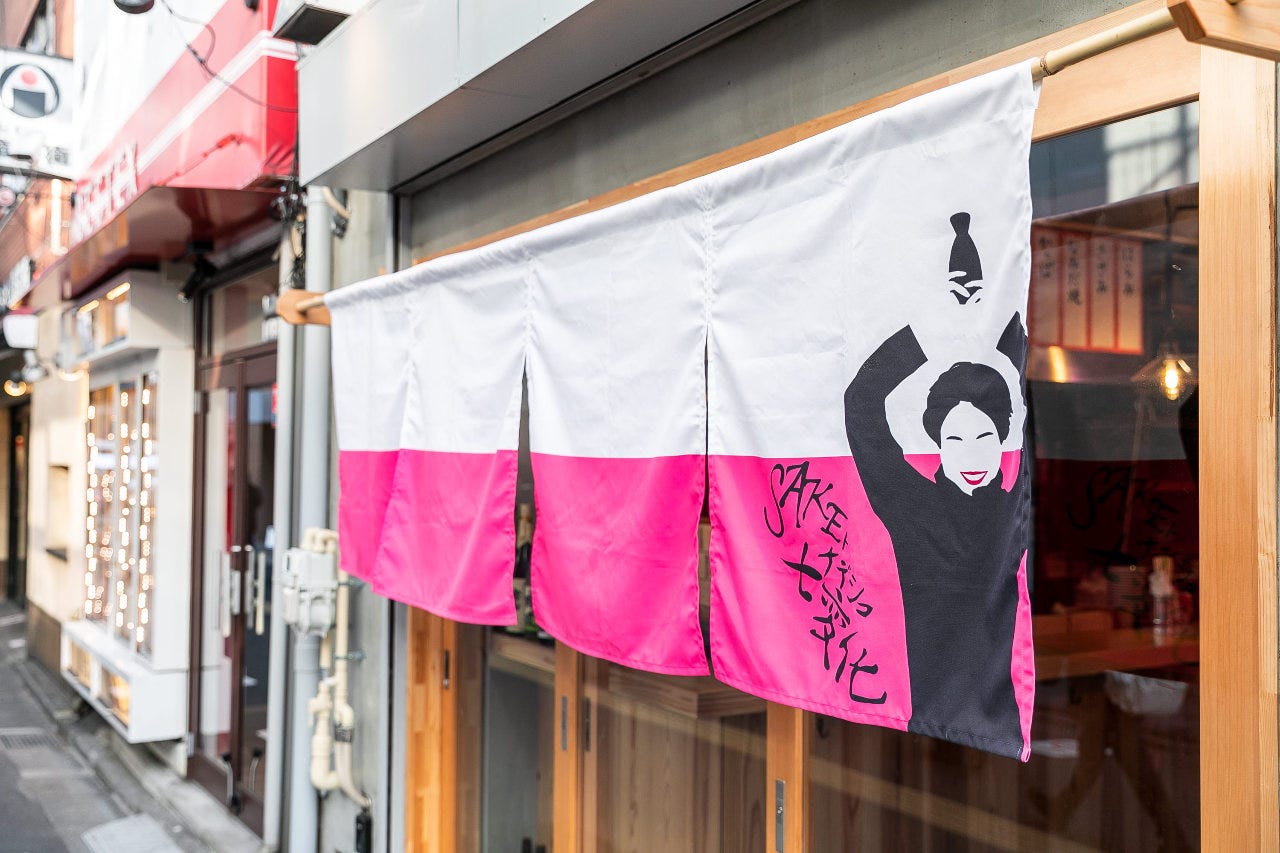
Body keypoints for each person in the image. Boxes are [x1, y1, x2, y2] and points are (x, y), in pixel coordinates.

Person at [843, 312, 1029, 759]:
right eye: (955, 440)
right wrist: (927, 329)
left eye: (984, 437)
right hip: (928, 711)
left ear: (1003, 438)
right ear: (938, 445)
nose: (971, 455)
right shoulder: (912, 503)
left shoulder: (1014, 504)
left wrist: (1008, 344)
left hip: (1009, 710)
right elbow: (862, 404)